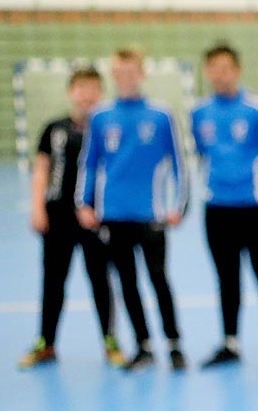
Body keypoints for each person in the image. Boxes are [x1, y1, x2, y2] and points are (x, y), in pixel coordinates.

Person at [76, 48, 189, 373]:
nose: (125, 78)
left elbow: (179, 163)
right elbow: (90, 162)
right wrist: (84, 203)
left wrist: (178, 206)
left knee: (158, 278)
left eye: (130, 72)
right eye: (119, 72)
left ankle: (174, 343)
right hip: (113, 214)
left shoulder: (161, 115)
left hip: (151, 214)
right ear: (113, 75)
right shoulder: (100, 116)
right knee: (127, 282)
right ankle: (144, 345)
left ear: (142, 74)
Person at [191, 44, 258, 369]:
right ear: (207, 72)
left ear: (237, 70)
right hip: (218, 207)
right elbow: (201, 153)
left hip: (257, 206)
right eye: (213, 68)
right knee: (227, 276)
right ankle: (230, 343)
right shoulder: (200, 112)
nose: (219, 75)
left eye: (225, 68)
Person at [18, 65, 124, 369]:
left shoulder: (108, 128)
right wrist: (37, 208)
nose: (87, 95)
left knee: (101, 281)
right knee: (53, 281)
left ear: (101, 93)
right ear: (71, 92)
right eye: (81, 88)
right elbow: (42, 169)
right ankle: (46, 343)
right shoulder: (54, 128)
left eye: (93, 88)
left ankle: (110, 341)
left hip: (94, 217)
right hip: (57, 217)